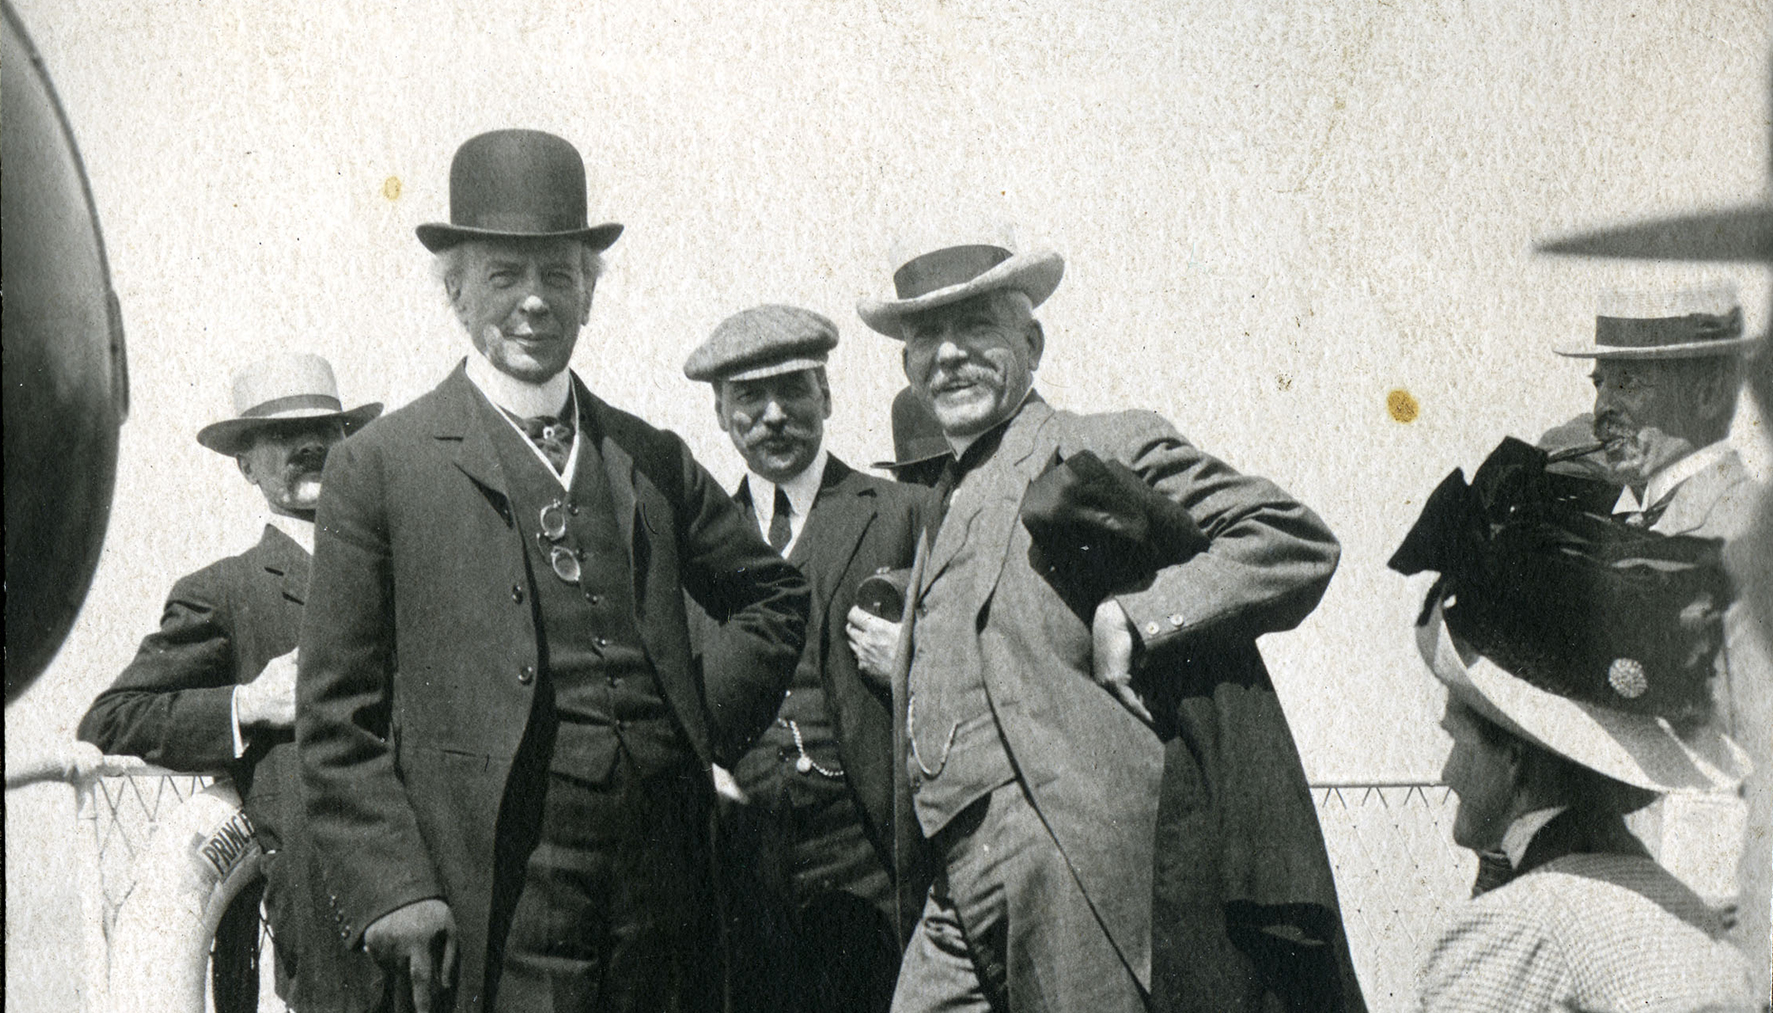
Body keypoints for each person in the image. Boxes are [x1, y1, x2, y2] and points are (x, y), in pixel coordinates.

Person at [295, 130, 809, 1013]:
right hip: (498, 885)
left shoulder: (650, 455)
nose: (534, 303)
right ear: (455, 291)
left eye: (558, 276)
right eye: (504, 276)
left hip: (666, 890)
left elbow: (773, 594)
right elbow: (336, 716)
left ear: (589, 294)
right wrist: (393, 885)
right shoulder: (381, 465)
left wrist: (697, 728)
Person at [857, 242, 1359, 1012]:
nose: (948, 354)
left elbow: (1290, 538)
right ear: (907, 367)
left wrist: (1140, 613)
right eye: (925, 337)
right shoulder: (942, 503)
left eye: (974, 326)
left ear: (1031, 344)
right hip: (952, 872)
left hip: (1073, 857)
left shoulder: (1101, 441)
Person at [1390, 437, 1757, 1010]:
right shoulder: (1689, 916)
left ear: (1515, 756)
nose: (1446, 776)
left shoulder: (1515, 936)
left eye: (1456, 742)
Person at [78, 353, 382, 1011]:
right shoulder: (223, 593)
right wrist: (250, 703)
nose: (307, 446)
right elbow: (114, 716)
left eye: (323, 431)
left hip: (455, 895)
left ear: (347, 444)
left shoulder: (405, 568)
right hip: (332, 915)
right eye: (280, 436)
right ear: (245, 463)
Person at [683, 304, 932, 1012]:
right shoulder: (694, 547)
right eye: (747, 399)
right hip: (751, 879)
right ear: (720, 413)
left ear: (825, 395)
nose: (772, 415)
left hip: (877, 864)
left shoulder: (903, 512)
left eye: (792, 390)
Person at [1553, 284, 1769, 983]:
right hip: (1625, 929)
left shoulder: (1743, 538)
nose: (1600, 408)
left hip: (1711, 936)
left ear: (1708, 391)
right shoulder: (1621, 528)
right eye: (1599, 381)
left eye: (1629, 380)